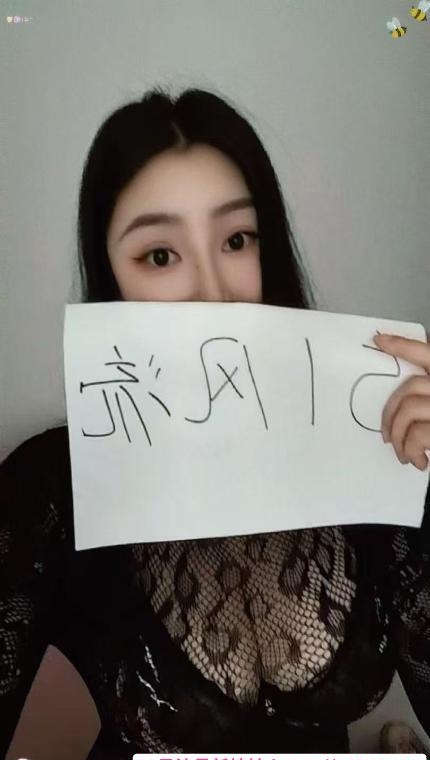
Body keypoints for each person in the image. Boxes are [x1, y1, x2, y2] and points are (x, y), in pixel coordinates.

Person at [1, 86, 430, 759]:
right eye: (159, 255)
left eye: (236, 239)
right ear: (112, 277)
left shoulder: (372, 443)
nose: (213, 292)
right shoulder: (53, 488)